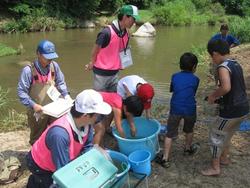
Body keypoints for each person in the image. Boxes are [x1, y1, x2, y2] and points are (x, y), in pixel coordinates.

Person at [26, 89, 112, 188]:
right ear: (86, 115)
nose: (100, 119)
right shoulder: (59, 134)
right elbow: (63, 172)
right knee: (48, 183)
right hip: (40, 165)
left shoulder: (86, 124)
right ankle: (35, 181)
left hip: (61, 158)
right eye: (99, 116)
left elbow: (87, 147)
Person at [201, 39, 249, 176]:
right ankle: (224, 158)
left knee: (215, 134)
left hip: (231, 110)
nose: (212, 59)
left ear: (215, 53)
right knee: (227, 134)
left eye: (211, 56)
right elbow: (236, 86)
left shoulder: (223, 67)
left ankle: (215, 168)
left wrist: (213, 96)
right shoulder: (236, 64)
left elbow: (226, 87)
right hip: (243, 108)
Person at [17, 40, 71, 145]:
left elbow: (60, 83)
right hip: (37, 111)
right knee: (37, 138)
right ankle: (35, 158)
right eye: (47, 57)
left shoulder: (54, 66)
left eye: (52, 57)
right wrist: (33, 105)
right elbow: (21, 92)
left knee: (56, 133)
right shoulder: (28, 71)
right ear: (38, 54)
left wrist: (66, 95)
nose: (50, 60)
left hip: (55, 109)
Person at [156, 52, 200, 168]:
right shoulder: (196, 79)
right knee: (189, 130)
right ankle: (187, 149)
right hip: (190, 108)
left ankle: (165, 158)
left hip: (176, 108)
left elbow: (172, 89)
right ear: (194, 67)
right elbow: (192, 92)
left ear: (180, 65)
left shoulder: (175, 76)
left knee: (169, 133)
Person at [85, 5, 140, 92]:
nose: (134, 22)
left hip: (115, 74)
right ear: (125, 17)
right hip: (101, 74)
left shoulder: (126, 33)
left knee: (113, 99)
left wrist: (123, 63)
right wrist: (92, 63)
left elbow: (121, 50)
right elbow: (95, 50)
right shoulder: (106, 32)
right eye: (133, 19)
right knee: (99, 99)